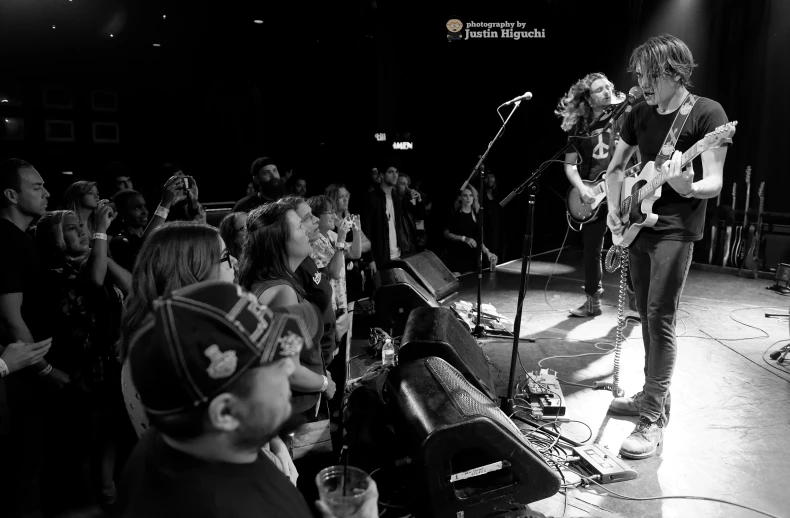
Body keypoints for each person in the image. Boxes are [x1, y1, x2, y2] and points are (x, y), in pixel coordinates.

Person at [115, 281, 379, 518]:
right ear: (226, 412)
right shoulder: (235, 507)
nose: (290, 368)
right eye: (275, 365)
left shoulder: (172, 442)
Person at [605, 34, 728, 459]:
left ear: (674, 72)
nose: (641, 84)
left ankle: (652, 416)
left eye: (648, 76)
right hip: (638, 226)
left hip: (676, 230)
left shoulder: (708, 113)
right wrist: (612, 208)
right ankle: (650, 396)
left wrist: (687, 185)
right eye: (638, 76)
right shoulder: (638, 112)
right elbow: (616, 167)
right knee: (646, 315)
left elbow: (714, 181)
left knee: (660, 316)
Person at [35, 208, 131, 509]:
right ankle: (87, 504)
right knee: (85, 443)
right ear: (55, 239)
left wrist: (99, 247)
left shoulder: (95, 261)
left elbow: (132, 287)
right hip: (81, 368)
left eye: (82, 227)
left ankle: (107, 493)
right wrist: (100, 232)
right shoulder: (54, 273)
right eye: (72, 229)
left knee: (111, 434)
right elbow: (92, 283)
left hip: (110, 364)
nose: (82, 232)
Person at [0, 158, 63, 518]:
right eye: (36, 187)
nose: (47, 192)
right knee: (24, 472)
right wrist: (44, 370)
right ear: (11, 194)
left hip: (25, 372)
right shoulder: (7, 241)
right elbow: (11, 319)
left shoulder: (20, 239)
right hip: (21, 376)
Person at [238, 200, 337, 416]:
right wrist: (324, 383)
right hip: (295, 412)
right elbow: (289, 371)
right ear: (280, 242)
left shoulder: (272, 283)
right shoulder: (283, 292)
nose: (307, 229)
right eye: (300, 227)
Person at [557, 72, 639, 318]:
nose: (606, 92)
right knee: (591, 249)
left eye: (608, 87)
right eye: (599, 89)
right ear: (588, 99)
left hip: (624, 188)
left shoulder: (625, 116)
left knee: (631, 245)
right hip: (593, 192)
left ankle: (635, 303)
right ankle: (592, 301)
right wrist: (583, 189)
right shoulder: (580, 126)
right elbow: (570, 164)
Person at [362, 165, 423, 277]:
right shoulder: (372, 198)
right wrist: (370, 259)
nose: (395, 175)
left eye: (396, 172)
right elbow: (367, 230)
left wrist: (418, 201)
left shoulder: (396, 199)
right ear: (381, 175)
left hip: (399, 255)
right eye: (390, 172)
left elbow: (417, 217)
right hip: (381, 258)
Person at [325, 183, 370, 304]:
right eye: (341, 197)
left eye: (346, 196)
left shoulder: (350, 218)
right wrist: (348, 245)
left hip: (353, 273)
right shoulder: (328, 224)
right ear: (333, 199)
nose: (345, 200)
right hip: (338, 276)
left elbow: (367, 244)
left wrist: (346, 245)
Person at [443, 185, 497, 276]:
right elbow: (446, 233)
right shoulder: (454, 213)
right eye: (465, 195)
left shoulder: (477, 216)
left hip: (471, 258)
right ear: (460, 197)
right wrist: (464, 238)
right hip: (456, 256)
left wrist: (488, 252)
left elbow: (479, 240)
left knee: (469, 285)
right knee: (458, 282)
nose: (468, 198)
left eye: (471, 195)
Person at [110, 189, 149, 272]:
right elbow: (143, 246)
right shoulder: (120, 242)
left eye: (144, 206)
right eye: (137, 208)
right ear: (122, 212)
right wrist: (164, 205)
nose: (145, 211)